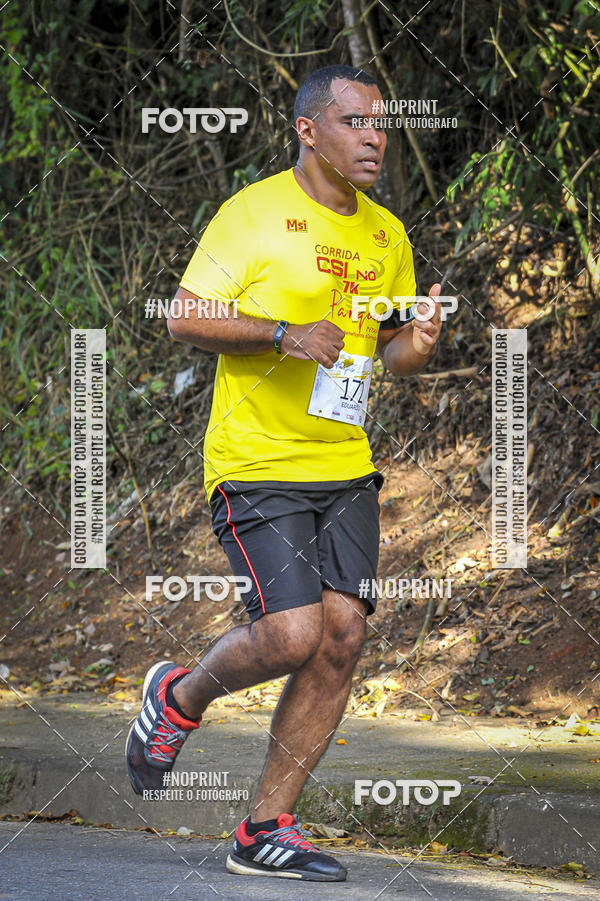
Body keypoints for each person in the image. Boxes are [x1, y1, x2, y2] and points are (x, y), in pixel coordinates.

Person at [126, 64, 442, 882]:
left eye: (382, 124)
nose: (375, 138)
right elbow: (182, 316)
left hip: (344, 466)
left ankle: (263, 829)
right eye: (356, 123)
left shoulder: (387, 236)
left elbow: (395, 354)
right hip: (256, 461)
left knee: (341, 640)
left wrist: (422, 340)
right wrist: (280, 334)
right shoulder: (254, 213)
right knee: (292, 631)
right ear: (309, 131)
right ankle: (179, 698)